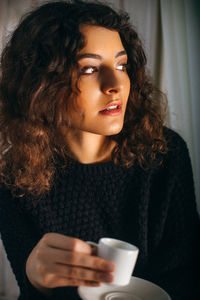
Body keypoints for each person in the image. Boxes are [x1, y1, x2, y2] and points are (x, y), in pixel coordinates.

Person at [0, 1, 199, 299]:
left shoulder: (164, 154)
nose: (115, 84)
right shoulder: (13, 175)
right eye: (90, 68)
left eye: (121, 65)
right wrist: (36, 279)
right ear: (40, 83)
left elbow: (188, 277)